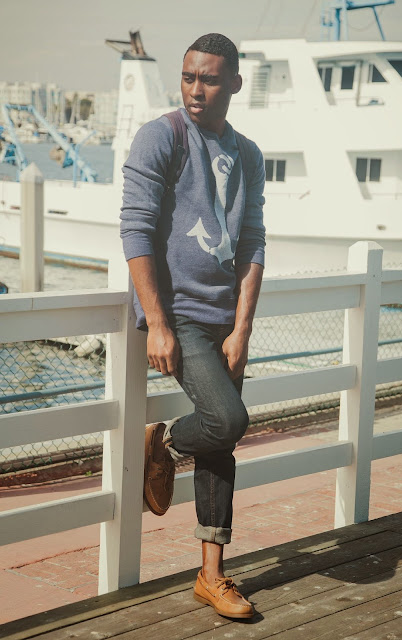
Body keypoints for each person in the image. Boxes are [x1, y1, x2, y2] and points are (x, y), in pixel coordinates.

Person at [119, 32, 266, 619]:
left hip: (225, 319)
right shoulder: (162, 136)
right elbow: (135, 227)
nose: (196, 89)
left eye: (209, 79)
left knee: (221, 445)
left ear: (234, 83)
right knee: (226, 420)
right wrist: (156, 322)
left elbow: (252, 242)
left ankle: (212, 575)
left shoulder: (248, 154)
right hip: (179, 314)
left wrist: (242, 329)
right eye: (188, 77)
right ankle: (166, 441)